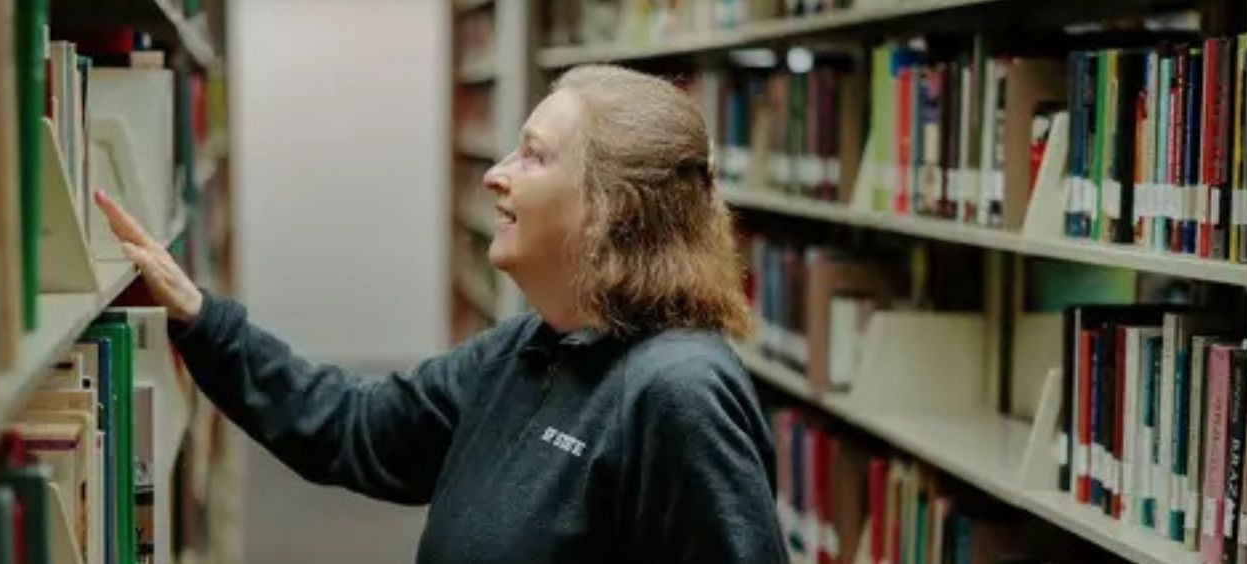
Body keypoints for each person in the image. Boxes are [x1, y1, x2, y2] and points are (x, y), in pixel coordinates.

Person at [96, 64, 790, 564]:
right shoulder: (527, 348)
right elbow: (354, 427)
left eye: (534, 156)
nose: (496, 173)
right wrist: (202, 319)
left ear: (612, 209)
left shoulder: (679, 393)